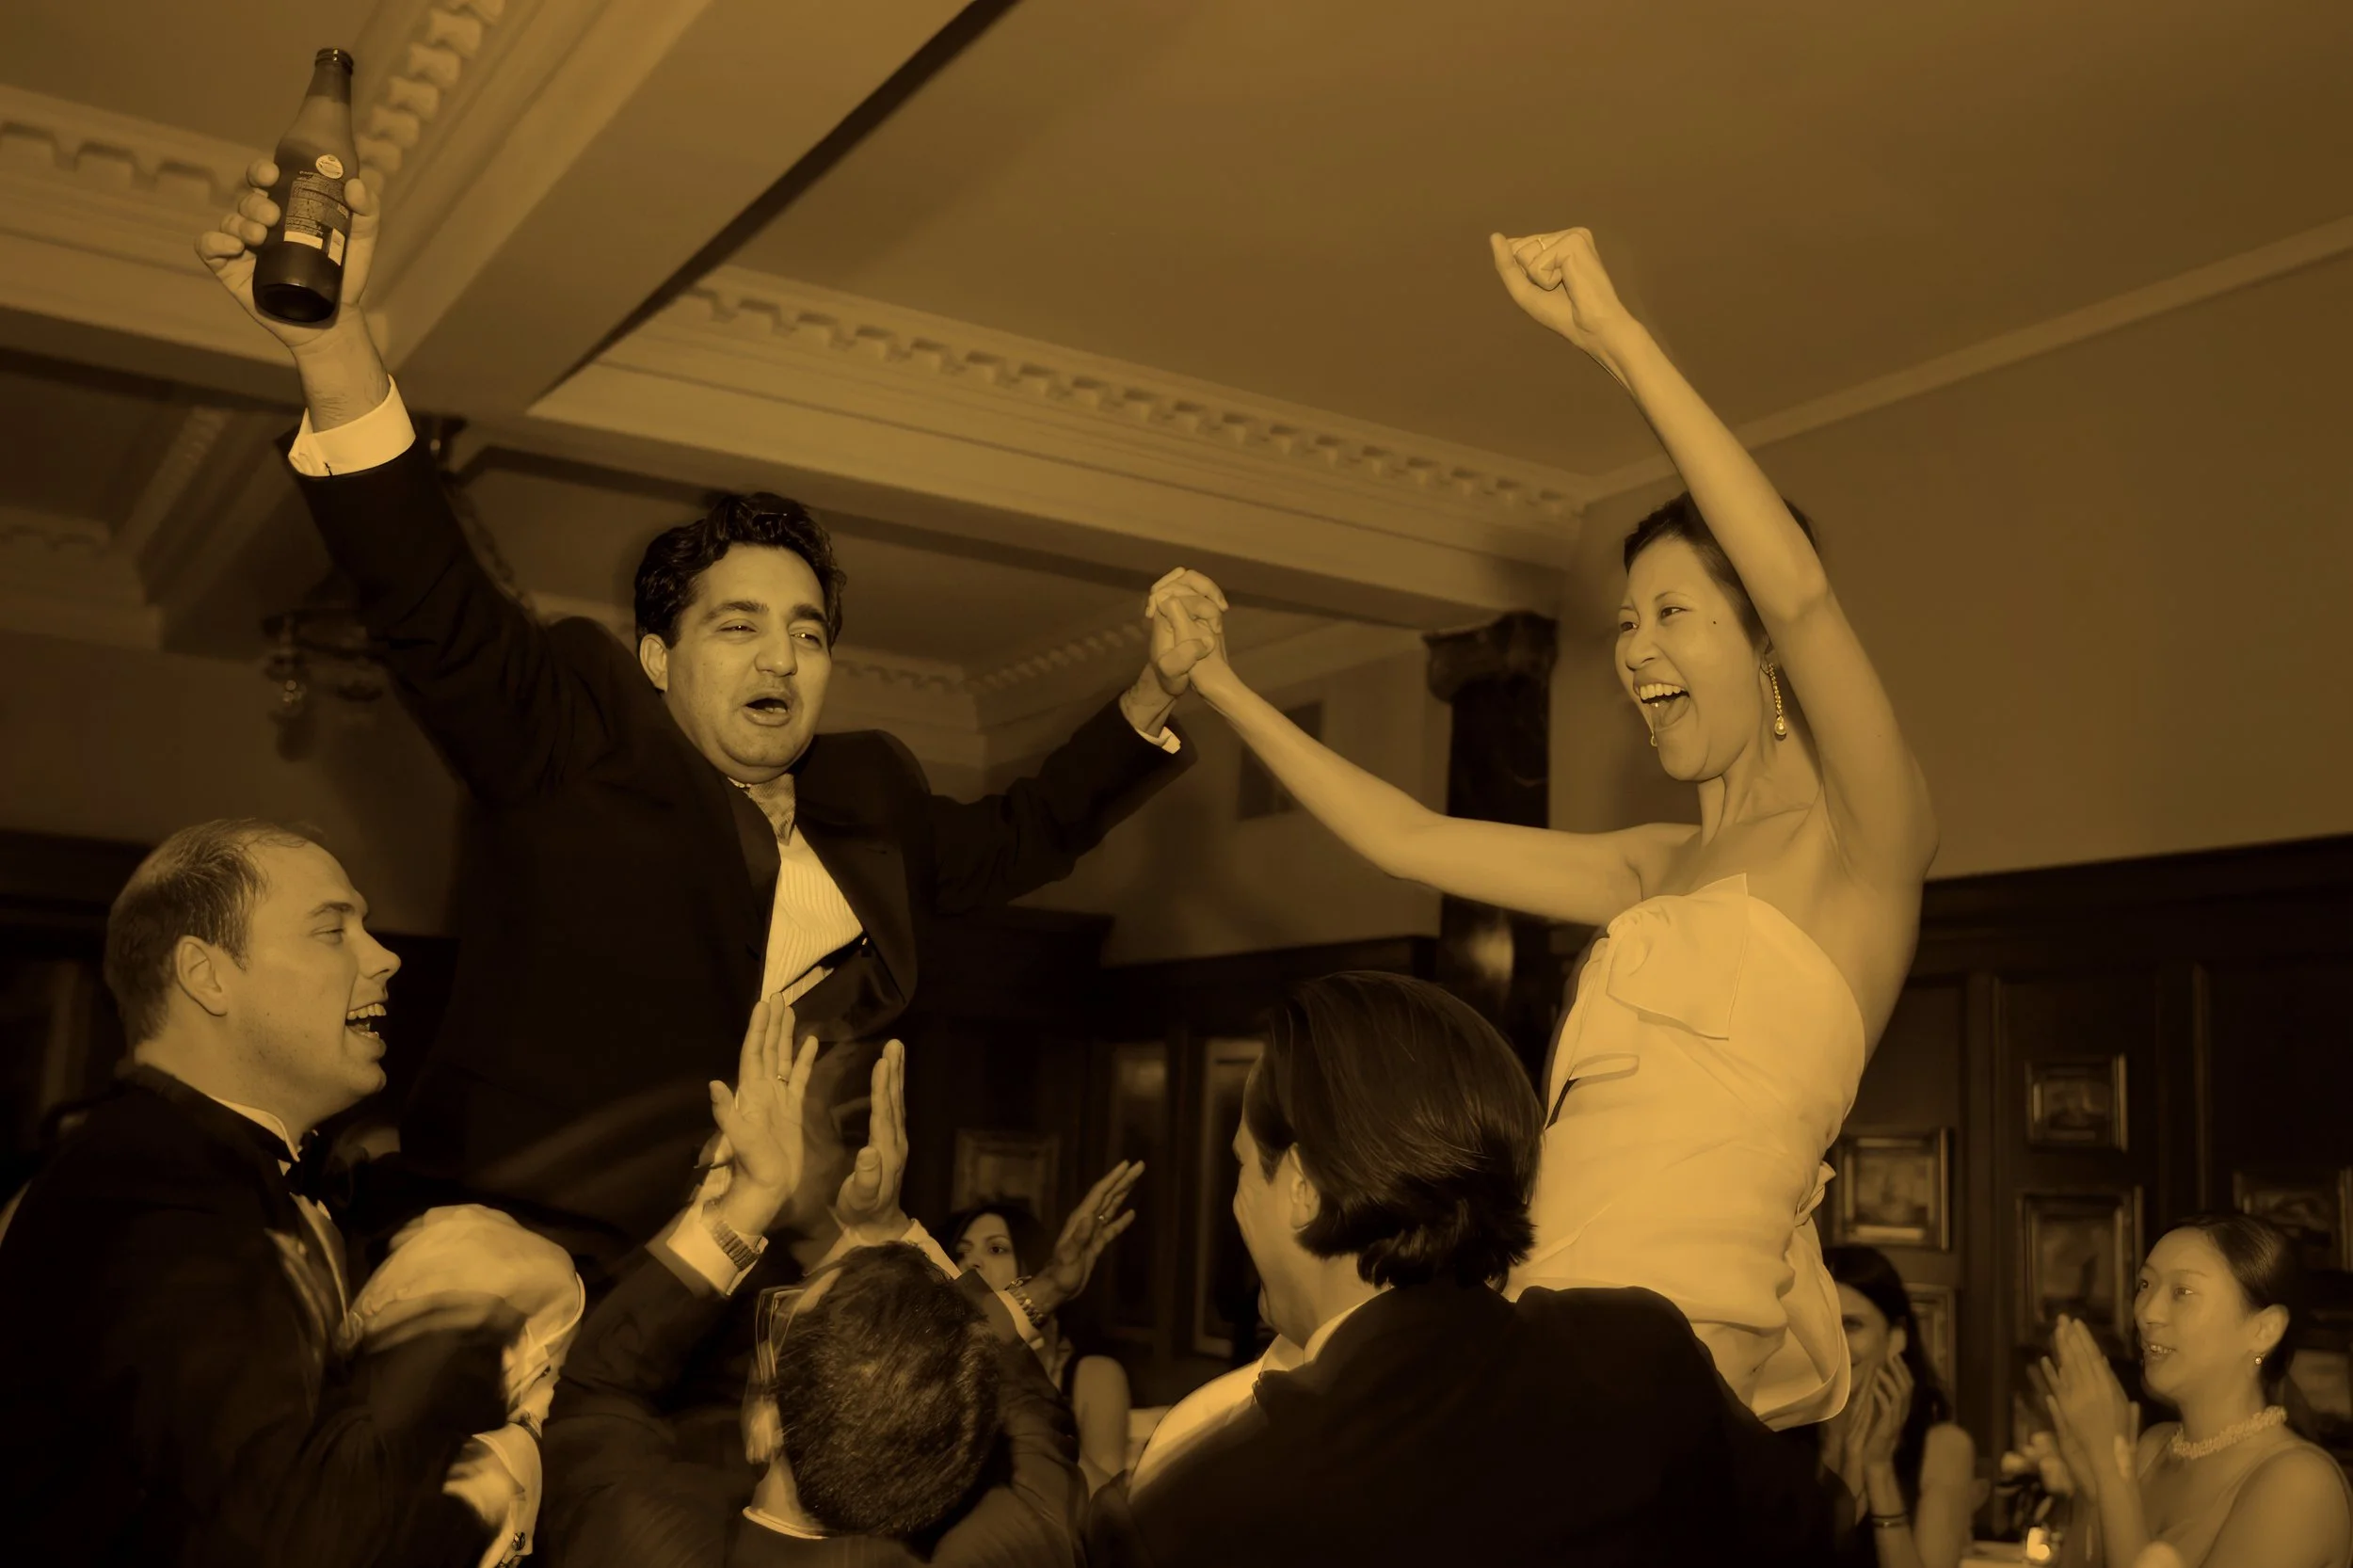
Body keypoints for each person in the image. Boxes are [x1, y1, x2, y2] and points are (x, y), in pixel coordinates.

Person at [195, 166, 1199, 1265]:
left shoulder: (871, 793)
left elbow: (1027, 830)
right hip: (533, 1254)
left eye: (809, 633)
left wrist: (1151, 695)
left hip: (757, 1271)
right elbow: (433, 601)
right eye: (740, 627)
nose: (783, 655)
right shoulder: (580, 738)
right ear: (657, 659)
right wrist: (331, 349)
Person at [1145, 223, 1939, 1427]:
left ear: (1762, 645)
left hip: (1672, 1350)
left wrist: (1615, 339)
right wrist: (1222, 687)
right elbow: (1407, 835)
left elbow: (1801, 586)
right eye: (1624, 624)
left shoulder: (1864, 846)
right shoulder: (1650, 867)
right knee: (1222, 1434)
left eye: (1672, 612)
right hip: (1536, 1301)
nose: (1636, 651)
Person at [1090, 971, 1831, 1568]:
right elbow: (1813, 1540)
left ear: (1303, 1189)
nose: (1235, 1205)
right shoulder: (1638, 1348)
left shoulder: (1204, 1497)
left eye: (1245, 1170)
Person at [0, 819, 561, 1568]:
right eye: (333, 931)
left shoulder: (267, 1178)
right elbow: (299, 1536)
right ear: (208, 976)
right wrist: (464, 1339)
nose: (387, 957)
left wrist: (727, 1220)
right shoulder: (146, 1192)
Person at [541, 1000, 1135, 1566]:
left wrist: (749, 1200)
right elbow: (1036, 1423)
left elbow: (598, 1382)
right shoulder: (1026, 1545)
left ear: (763, 1425)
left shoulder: (636, 1540)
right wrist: (887, 1227)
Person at [2038, 1212, 2353, 1567]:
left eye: (2181, 1292)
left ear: (2264, 1330)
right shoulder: (2151, 1450)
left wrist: (2112, 1472)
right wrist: (2093, 1491)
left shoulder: (2299, 1484)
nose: (2146, 1313)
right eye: (2144, 1285)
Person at [951, 1185, 1143, 1492]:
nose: (971, 1263)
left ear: (1034, 1267)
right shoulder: (950, 1362)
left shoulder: (1092, 1372)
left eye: (996, 1249)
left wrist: (1029, 1395)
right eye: (962, 1252)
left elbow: (1105, 1508)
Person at [1804, 1245, 1979, 1567]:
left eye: (1852, 1325)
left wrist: (1879, 1470)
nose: (1835, 1345)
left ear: (1896, 1338)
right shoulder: (1785, 1435)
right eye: (1823, 1326)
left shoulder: (1944, 1448)